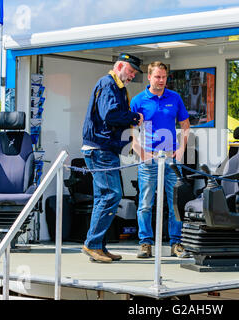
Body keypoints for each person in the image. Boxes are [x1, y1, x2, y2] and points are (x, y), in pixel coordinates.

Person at [81, 53, 144, 263]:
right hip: (101, 148)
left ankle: (98, 246)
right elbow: (109, 115)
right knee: (112, 195)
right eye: (131, 71)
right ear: (119, 66)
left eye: (134, 73)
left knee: (103, 197)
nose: (132, 76)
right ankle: (92, 244)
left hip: (102, 148)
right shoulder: (108, 84)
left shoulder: (113, 85)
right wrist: (134, 117)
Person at [131, 61, 191, 258]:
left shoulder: (174, 98)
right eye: (157, 77)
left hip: (171, 160)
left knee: (175, 203)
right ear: (149, 77)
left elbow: (185, 123)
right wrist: (140, 152)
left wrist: (182, 148)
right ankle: (145, 244)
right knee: (145, 204)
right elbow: (131, 131)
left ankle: (176, 244)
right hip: (148, 160)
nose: (161, 80)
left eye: (164, 77)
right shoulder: (138, 100)